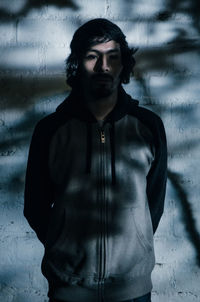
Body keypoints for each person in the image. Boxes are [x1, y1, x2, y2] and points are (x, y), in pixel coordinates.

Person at [24, 18, 167, 302]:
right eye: (93, 56)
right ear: (77, 63)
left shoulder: (148, 126)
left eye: (112, 57)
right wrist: (63, 248)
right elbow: (35, 206)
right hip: (69, 289)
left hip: (132, 291)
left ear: (123, 64)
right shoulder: (51, 129)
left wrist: (134, 243)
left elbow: (154, 203)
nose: (103, 66)